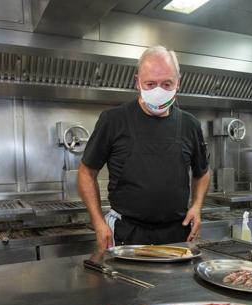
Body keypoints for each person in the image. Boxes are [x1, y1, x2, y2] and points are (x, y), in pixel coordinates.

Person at [78, 45, 210, 251]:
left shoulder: (190, 124)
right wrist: (97, 222)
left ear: (179, 83)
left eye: (167, 84)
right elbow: (87, 172)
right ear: (137, 82)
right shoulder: (113, 120)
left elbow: (202, 173)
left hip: (177, 234)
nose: (158, 91)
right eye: (150, 84)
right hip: (127, 233)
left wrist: (196, 206)